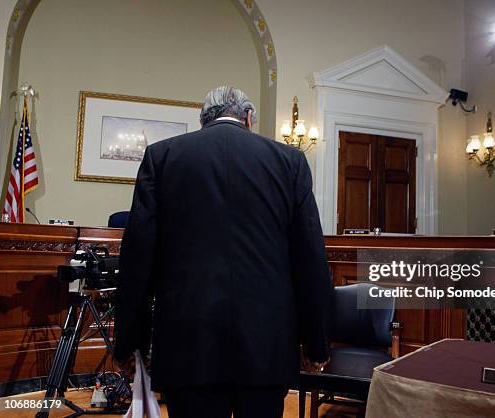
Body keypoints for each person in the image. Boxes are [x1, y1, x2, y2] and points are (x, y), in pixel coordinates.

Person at [114, 86, 332, 417]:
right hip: (266, 345)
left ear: (203, 120)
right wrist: (316, 344)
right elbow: (310, 260)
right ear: (248, 118)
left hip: (188, 343)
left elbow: (138, 259)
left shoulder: (162, 157)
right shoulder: (290, 161)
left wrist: (129, 343)